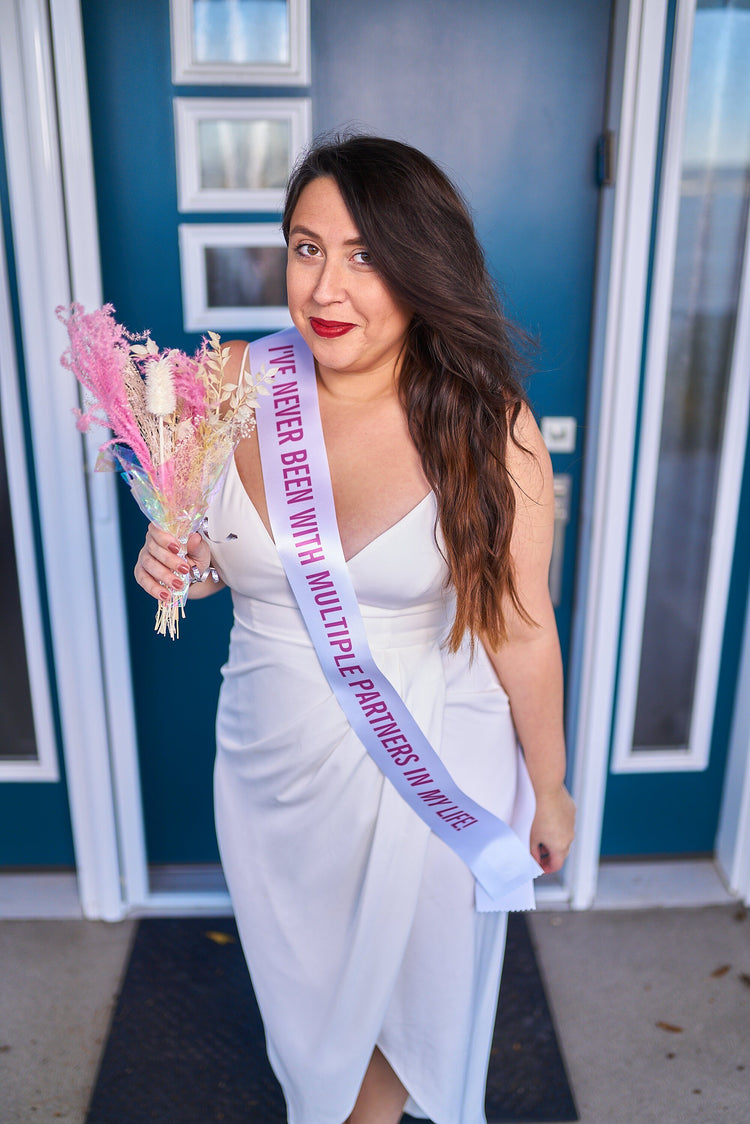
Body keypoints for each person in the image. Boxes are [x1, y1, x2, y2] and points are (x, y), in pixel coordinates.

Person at [135, 134, 575, 1124]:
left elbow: (523, 630)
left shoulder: (489, 426)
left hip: (430, 757)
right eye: (306, 247)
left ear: (425, 268)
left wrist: (549, 786)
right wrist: (169, 564)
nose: (326, 286)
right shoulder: (233, 383)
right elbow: (214, 560)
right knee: (309, 1013)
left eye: (367, 254)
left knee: (402, 1012)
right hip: (267, 761)